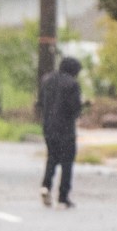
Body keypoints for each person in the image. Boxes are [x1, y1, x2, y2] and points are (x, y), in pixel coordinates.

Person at [37, 55, 84, 208]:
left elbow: (40, 103)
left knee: (52, 158)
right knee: (67, 162)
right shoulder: (72, 84)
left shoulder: (46, 80)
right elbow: (74, 108)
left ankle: (46, 186)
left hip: (48, 127)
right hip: (66, 129)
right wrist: (82, 107)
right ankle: (63, 197)